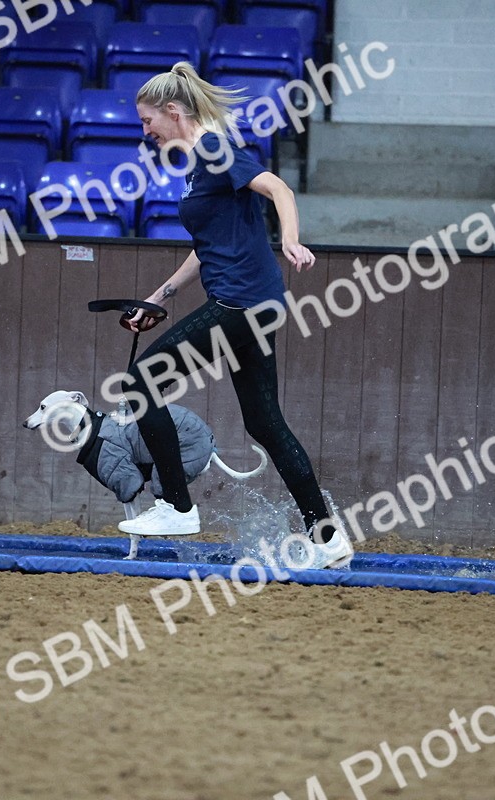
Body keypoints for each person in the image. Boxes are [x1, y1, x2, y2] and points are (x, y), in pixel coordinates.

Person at [117, 61, 351, 570]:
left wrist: (289, 238)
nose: (145, 132)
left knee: (141, 382)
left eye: (147, 122)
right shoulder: (198, 163)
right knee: (265, 424)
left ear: (173, 112)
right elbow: (210, 246)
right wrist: (161, 296)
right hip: (250, 304)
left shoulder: (213, 150)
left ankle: (176, 506)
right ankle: (327, 537)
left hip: (242, 305)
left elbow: (280, 190)